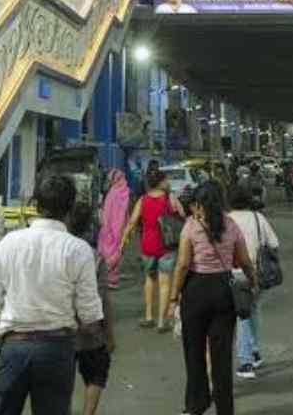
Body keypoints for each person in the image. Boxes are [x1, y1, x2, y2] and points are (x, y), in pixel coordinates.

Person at [0, 175, 105, 415]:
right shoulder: (78, 249)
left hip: (14, 346)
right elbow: (89, 314)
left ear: (35, 204)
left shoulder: (8, 243)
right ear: (70, 208)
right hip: (57, 349)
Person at [165, 182, 257, 415]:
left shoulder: (191, 226)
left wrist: (173, 299)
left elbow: (183, 265)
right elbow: (245, 261)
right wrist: (253, 283)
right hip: (223, 292)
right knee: (222, 357)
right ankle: (224, 409)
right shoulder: (231, 225)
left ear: (199, 204)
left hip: (195, 292)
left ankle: (196, 404)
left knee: (194, 353)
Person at [116, 167, 186, 332]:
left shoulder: (143, 199)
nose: (168, 182)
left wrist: (122, 242)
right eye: (166, 180)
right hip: (166, 245)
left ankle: (148, 316)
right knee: (164, 283)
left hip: (148, 245)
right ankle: (161, 321)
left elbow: (132, 222)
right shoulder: (170, 198)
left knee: (149, 279)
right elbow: (183, 215)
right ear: (161, 182)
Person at [67, 202, 116, 415]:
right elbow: (103, 299)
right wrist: (109, 335)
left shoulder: (58, 251)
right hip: (90, 330)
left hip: (61, 328)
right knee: (96, 374)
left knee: (61, 379)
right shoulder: (95, 257)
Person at [226, 185, 278, 380]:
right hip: (257, 274)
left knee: (242, 316)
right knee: (252, 311)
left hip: (235, 274)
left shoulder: (226, 220)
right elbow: (274, 243)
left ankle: (245, 362)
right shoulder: (258, 218)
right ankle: (255, 352)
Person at [95, 169, 131, 289]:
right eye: (122, 178)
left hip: (113, 229)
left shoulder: (114, 192)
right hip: (117, 229)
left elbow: (110, 213)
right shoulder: (119, 193)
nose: (124, 180)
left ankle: (109, 276)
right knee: (115, 252)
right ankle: (110, 278)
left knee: (111, 252)